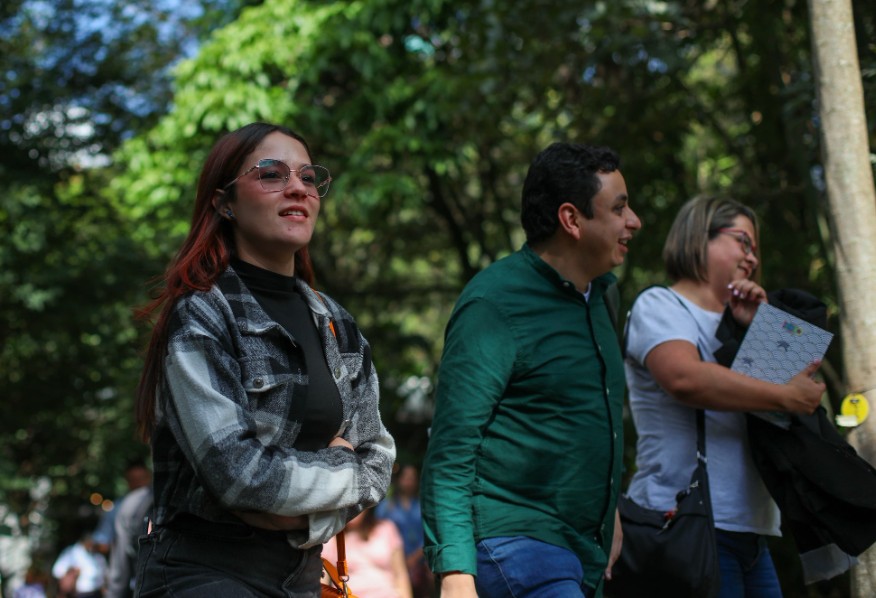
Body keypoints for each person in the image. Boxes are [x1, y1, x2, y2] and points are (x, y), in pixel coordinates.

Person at [132, 121, 396, 597]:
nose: (297, 188)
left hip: (304, 578)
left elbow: (378, 461)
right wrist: (341, 464)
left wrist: (291, 514)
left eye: (308, 177)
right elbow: (238, 477)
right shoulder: (202, 313)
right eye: (271, 174)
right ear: (224, 203)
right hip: (204, 575)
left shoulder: (337, 324)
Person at [421, 142, 642, 597]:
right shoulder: (494, 304)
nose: (634, 221)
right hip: (514, 542)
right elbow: (451, 450)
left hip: (582, 548)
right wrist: (455, 572)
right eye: (619, 208)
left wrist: (610, 512)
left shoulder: (602, 295)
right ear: (571, 220)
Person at [621, 195, 825, 597]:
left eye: (755, 249)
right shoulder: (660, 304)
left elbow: (777, 418)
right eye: (742, 242)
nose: (752, 257)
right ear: (700, 237)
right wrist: (786, 394)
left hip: (752, 530)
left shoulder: (743, 319)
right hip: (684, 521)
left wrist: (758, 330)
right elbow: (685, 379)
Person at [322, 508, 413, 598]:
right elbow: (322, 581)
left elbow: (400, 574)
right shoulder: (331, 537)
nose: (352, 508)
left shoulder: (386, 528)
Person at [376, 464, 433, 597]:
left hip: (420, 566)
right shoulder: (386, 507)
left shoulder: (423, 506)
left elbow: (428, 535)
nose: (409, 482)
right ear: (398, 479)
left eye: (412, 478)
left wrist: (414, 558)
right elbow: (377, 535)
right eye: (406, 477)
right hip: (391, 564)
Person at [105, 461, 153, 598]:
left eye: (141, 479)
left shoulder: (127, 505)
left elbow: (119, 559)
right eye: (134, 480)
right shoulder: (124, 506)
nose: (139, 483)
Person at [51, 532, 107, 598]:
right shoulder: (73, 552)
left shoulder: (97, 556)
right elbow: (58, 570)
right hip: (80, 593)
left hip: (95, 592)